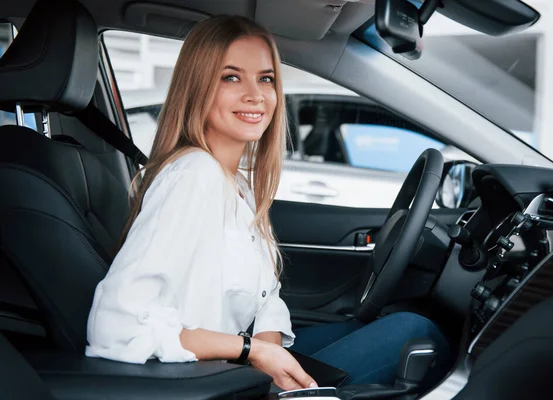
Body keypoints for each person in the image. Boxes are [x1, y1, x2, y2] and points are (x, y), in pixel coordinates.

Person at [85, 14, 450, 391]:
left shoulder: (236, 183)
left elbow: (265, 295)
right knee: (415, 333)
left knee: (398, 328)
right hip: (207, 381)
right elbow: (115, 326)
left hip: (239, 368)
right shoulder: (193, 177)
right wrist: (252, 352)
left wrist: (268, 348)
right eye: (231, 77)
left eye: (266, 79)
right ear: (197, 88)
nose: (255, 95)